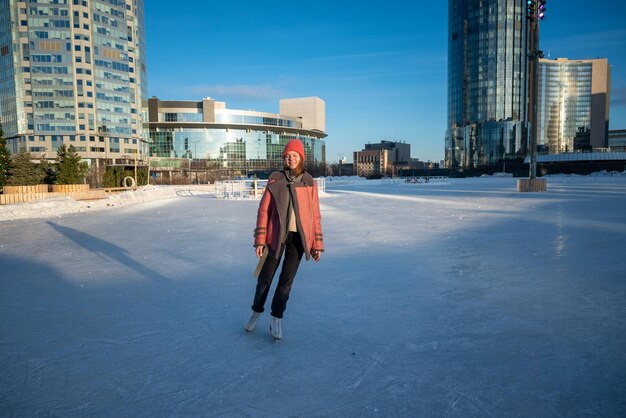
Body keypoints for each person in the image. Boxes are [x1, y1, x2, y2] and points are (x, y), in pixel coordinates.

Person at [244, 139, 324, 339]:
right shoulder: (275, 178)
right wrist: (260, 240)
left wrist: (317, 245)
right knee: (265, 279)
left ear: (301, 158)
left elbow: (315, 215)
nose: (290, 159)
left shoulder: (308, 181)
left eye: (294, 155)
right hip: (275, 238)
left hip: (298, 240)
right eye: (287, 156)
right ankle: (256, 311)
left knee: (286, 282)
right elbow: (264, 210)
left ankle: (276, 319)